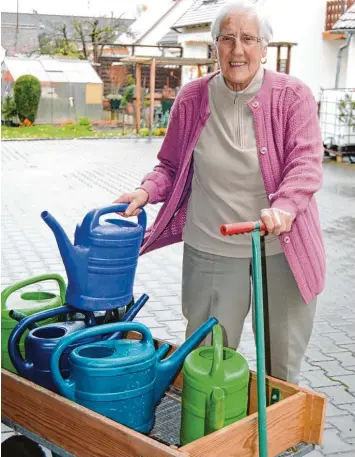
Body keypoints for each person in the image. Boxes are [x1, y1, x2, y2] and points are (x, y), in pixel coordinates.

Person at [115, 0, 325, 384]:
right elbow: (170, 165)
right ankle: (211, 433)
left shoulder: (293, 96)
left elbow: (306, 163)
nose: (238, 49)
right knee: (207, 359)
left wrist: (285, 206)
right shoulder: (192, 98)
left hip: (281, 246)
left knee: (282, 360)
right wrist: (145, 192)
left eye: (248, 38)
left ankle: (276, 438)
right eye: (227, 39)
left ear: (265, 47)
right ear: (215, 47)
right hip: (212, 243)